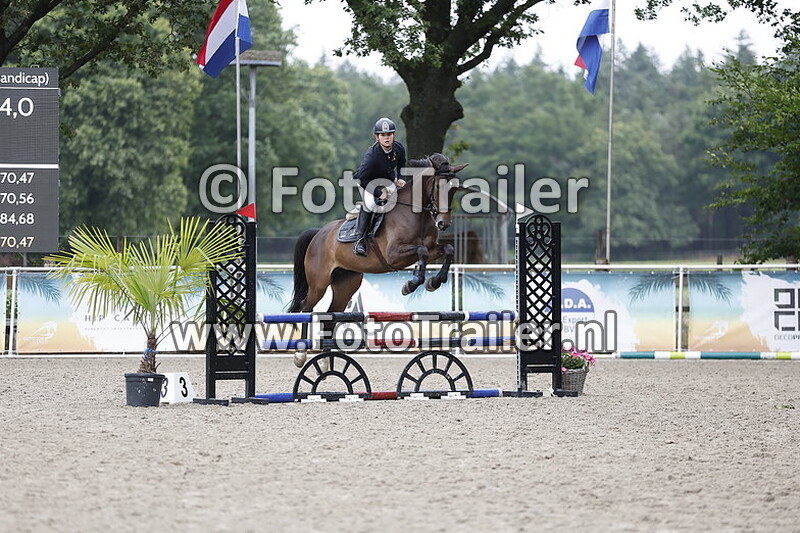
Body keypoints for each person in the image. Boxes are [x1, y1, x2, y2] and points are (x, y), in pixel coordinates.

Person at [351, 117, 407, 256]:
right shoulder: (372, 156)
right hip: (367, 182)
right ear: (377, 137)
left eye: (389, 134)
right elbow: (362, 179)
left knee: (403, 199)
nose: (387, 138)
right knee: (370, 204)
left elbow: (402, 164)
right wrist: (377, 193)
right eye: (383, 135)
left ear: (394, 135)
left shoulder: (398, 148)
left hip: (386, 179)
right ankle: (359, 240)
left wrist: (401, 178)